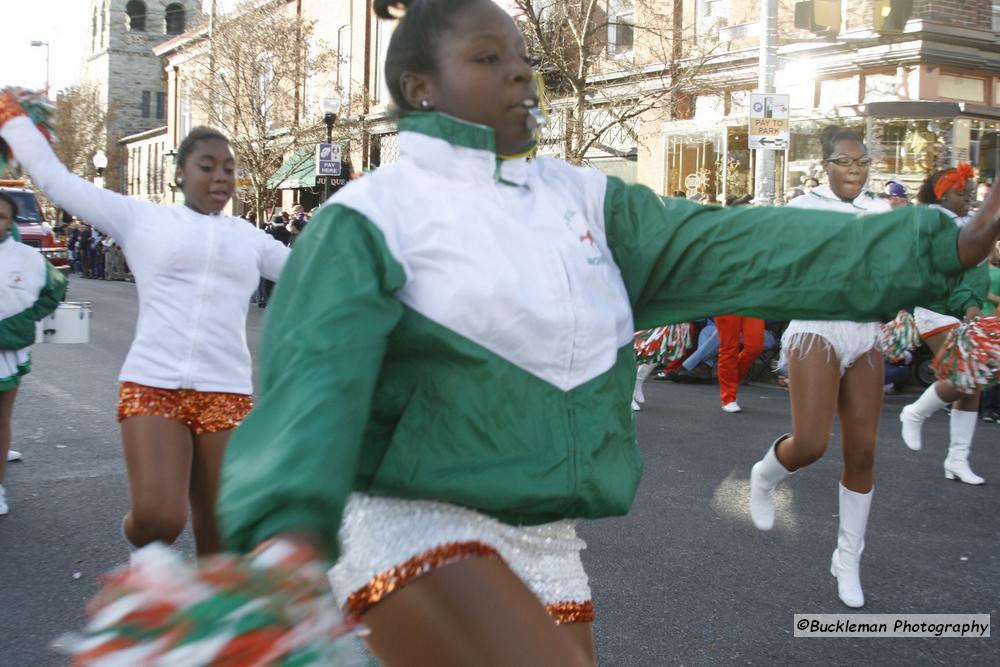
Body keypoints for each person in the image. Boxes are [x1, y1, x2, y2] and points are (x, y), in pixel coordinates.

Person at [214, 2, 1000, 664]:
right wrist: (281, 546)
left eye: (522, 55)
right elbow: (311, 389)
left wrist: (945, 243)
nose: (522, 71)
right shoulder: (367, 218)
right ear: (418, 86)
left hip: (552, 541)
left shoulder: (586, 201)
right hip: (411, 530)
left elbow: (749, 246)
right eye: (488, 57)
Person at [0, 98, 291, 554]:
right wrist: (14, 123)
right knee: (160, 519)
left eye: (229, 169)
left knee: (224, 539)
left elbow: (319, 271)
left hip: (227, 394)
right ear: (180, 173)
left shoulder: (251, 239)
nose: (221, 177)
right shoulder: (141, 219)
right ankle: (143, 556)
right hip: (154, 385)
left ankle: (208, 621)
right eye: (208, 166)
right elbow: (57, 181)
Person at [748, 126, 914, 609]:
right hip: (816, 329)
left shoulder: (882, 210)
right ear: (826, 166)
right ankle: (765, 474)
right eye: (845, 161)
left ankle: (847, 559)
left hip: (864, 334)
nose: (856, 170)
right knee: (813, 443)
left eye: (862, 162)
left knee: (863, 452)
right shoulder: (803, 208)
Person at [899, 164, 989, 485]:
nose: (968, 197)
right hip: (934, 308)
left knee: (973, 383)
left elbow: (972, 272)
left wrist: (971, 303)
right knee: (966, 376)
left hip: (959, 308)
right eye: (960, 193)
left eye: (970, 193)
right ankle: (915, 412)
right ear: (942, 194)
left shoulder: (966, 223)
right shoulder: (931, 221)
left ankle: (957, 459)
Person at [0, 191, 67, 515]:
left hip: (7, 351)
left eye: (1, 217)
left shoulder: (27, 258)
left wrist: (25, 319)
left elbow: (56, 288)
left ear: (10, 223)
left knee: (1, 419)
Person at [714, 315, 764, 413]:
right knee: (729, 348)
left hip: (751, 301)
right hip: (726, 302)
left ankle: (729, 384)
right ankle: (728, 397)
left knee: (755, 347)